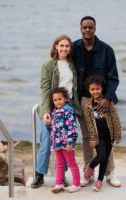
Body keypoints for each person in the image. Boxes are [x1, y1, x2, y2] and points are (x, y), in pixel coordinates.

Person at [73, 16, 121, 187]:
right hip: (83, 99)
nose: (87, 30)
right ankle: (88, 172)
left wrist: (107, 98)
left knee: (105, 137)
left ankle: (110, 172)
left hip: (103, 101)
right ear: (80, 29)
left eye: (90, 27)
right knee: (87, 137)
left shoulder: (106, 50)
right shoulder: (74, 48)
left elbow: (114, 78)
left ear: (95, 29)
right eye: (84, 27)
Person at [31, 34, 82, 188]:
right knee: (47, 142)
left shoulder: (73, 64)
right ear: (56, 47)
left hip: (68, 109)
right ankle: (39, 174)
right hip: (52, 109)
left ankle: (63, 176)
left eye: (67, 46)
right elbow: (45, 88)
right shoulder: (48, 64)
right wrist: (46, 111)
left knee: (65, 143)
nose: (64, 48)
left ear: (70, 48)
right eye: (61, 46)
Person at [83, 75, 121, 191]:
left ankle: (99, 181)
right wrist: (92, 138)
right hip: (98, 137)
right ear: (89, 90)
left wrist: (118, 135)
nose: (95, 91)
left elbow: (115, 119)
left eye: (98, 89)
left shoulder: (107, 103)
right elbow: (89, 124)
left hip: (109, 136)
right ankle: (90, 167)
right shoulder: (88, 106)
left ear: (102, 89)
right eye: (93, 89)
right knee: (101, 156)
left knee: (105, 158)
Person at [49, 87, 81, 193]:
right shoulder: (54, 112)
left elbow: (72, 128)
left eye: (60, 99)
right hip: (57, 143)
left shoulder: (68, 111)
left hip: (67, 144)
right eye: (55, 100)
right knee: (59, 164)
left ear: (66, 98)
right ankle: (58, 184)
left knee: (71, 163)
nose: (58, 102)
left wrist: (70, 142)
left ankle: (76, 184)